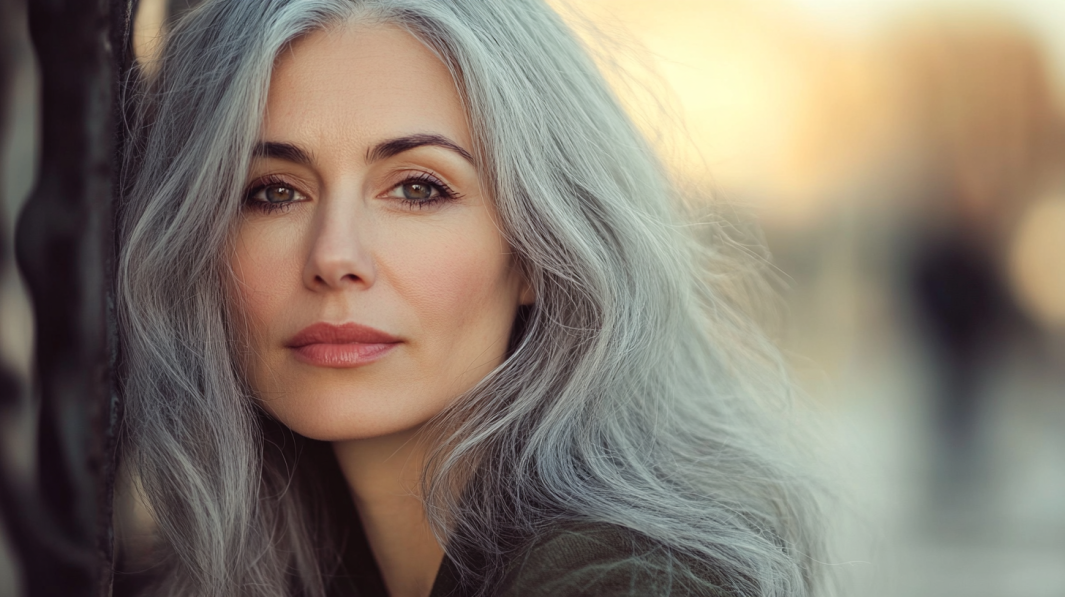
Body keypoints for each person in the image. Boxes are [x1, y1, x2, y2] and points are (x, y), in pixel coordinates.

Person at [115, 1, 826, 596]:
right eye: (272, 192)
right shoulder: (242, 558)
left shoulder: (633, 579)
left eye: (417, 188)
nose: (334, 256)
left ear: (538, 250)